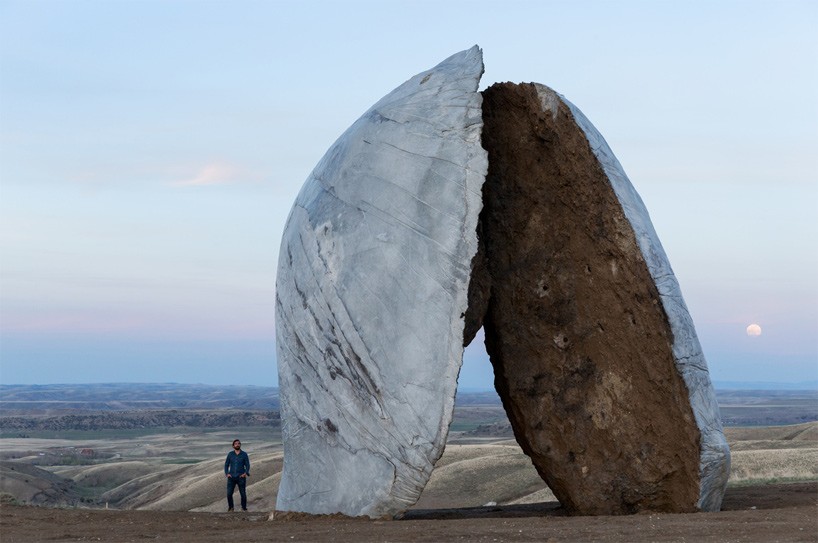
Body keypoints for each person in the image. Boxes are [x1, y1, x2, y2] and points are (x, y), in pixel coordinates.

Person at [224, 439, 250, 511]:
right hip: (231, 477)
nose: (237, 445)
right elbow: (226, 465)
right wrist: (227, 473)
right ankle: (231, 508)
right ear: (233, 446)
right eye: (235, 444)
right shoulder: (230, 454)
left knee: (243, 494)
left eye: (238, 443)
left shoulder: (244, 454)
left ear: (240, 445)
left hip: (241, 477)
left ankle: (244, 508)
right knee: (229, 494)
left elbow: (247, 465)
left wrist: (245, 473)